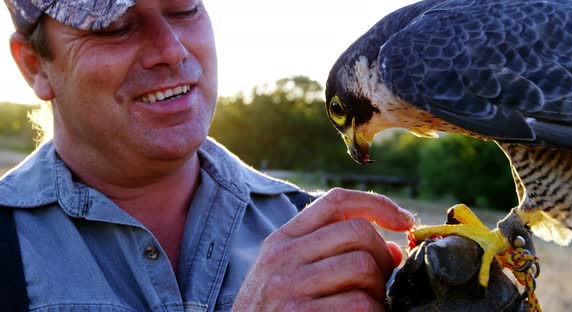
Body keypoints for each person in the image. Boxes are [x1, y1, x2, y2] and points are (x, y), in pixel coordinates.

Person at [1, 0, 415, 310]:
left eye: (183, 9)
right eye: (113, 26)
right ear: (35, 65)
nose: (171, 49)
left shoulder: (319, 237)